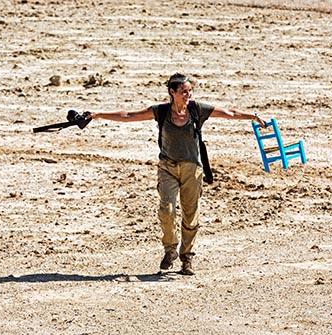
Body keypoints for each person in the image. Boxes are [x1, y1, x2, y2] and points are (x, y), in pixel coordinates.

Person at [89, 73, 266, 275]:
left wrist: (252, 116)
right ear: (172, 92)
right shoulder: (161, 111)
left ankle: (187, 258)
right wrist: (99, 114)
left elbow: (229, 113)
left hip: (192, 169)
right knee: (167, 211)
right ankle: (170, 249)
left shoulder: (197, 109)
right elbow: (129, 115)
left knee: (190, 216)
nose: (188, 95)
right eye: (183, 92)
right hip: (167, 167)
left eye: (190, 91)